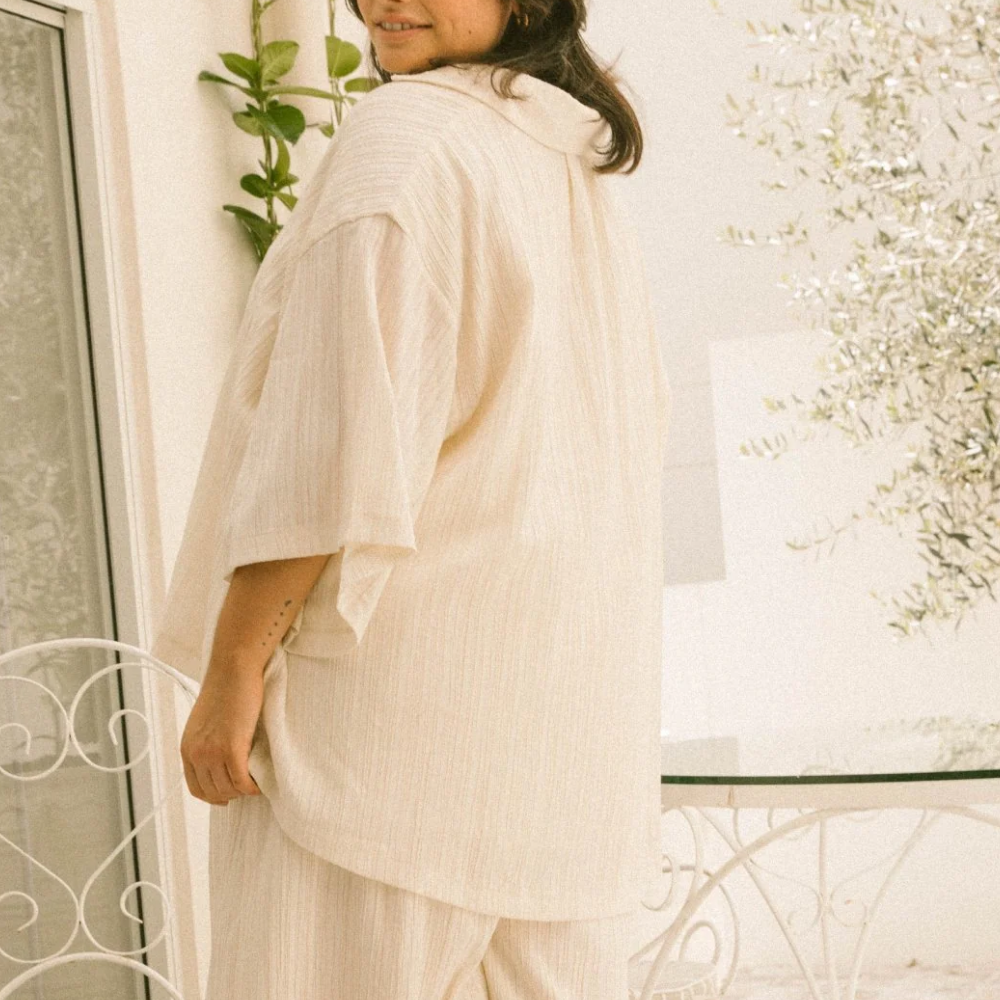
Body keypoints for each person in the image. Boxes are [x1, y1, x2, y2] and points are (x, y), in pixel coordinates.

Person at [150, 0, 673, 997]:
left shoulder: (408, 139)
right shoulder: (565, 160)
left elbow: (331, 450)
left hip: (380, 747)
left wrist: (233, 669)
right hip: (556, 754)